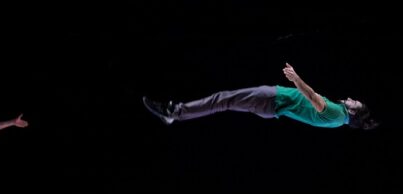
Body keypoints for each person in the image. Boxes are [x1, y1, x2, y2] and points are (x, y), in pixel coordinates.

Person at [143, 63, 378, 130]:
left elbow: (314, 100)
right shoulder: (337, 118)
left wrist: (296, 78)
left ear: (354, 111)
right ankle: (176, 112)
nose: (351, 98)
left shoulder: (337, 114)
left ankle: (174, 113)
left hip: (273, 100)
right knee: (223, 100)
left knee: (222, 99)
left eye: (355, 102)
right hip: (273, 102)